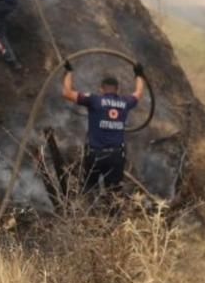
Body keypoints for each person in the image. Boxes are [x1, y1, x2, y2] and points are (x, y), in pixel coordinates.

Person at [61, 60, 144, 192]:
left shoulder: (94, 100)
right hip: (116, 156)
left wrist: (68, 73)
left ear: (101, 89)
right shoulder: (125, 102)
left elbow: (67, 92)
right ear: (118, 90)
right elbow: (138, 93)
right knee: (114, 194)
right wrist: (139, 75)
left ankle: (87, 211)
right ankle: (112, 211)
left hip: (95, 155)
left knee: (90, 191)